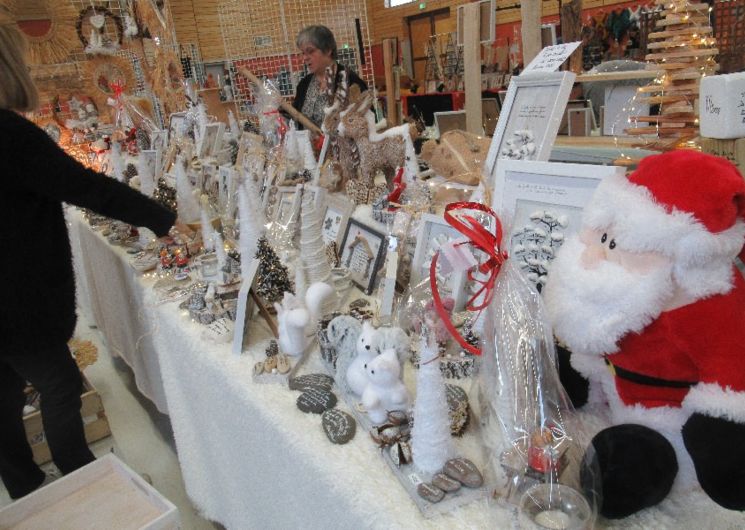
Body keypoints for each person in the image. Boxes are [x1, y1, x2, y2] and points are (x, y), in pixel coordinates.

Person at [0, 14, 184, 499]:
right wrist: (160, 217)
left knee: (2, 398)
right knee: (59, 387)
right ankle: (85, 488)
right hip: (17, 302)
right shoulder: (10, 136)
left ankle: (29, 492)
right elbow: (83, 186)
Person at [293, 25, 368, 129]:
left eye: (310, 51)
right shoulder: (304, 84)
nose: (305, 58)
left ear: (328, 50)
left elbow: (364, 123)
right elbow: (294, 119)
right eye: (303, 53)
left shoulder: (351, 82)